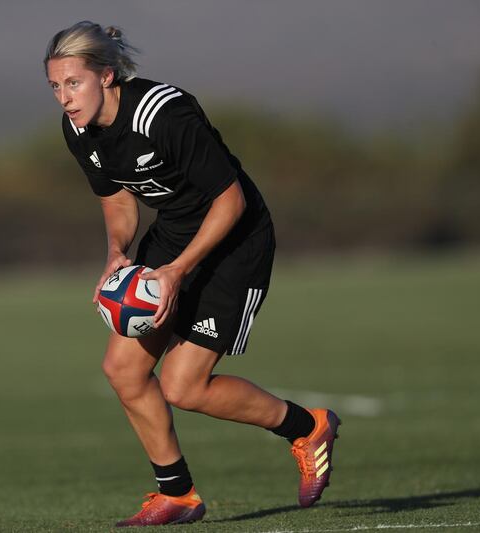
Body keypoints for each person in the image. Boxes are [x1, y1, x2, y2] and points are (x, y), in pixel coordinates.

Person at [44, 21, 341, 527]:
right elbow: (117, 197)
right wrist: (118, 252)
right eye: (55, 86)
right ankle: (177, 495)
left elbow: (231, 200)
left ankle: (307, 426)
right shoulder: (78, 129)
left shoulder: (165, 114)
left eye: (74, 83)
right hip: (176, 232)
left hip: (234, 239)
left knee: (184, 387)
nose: (64, 98)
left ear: (108, 75)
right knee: (123, 371)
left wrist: (178, 271)